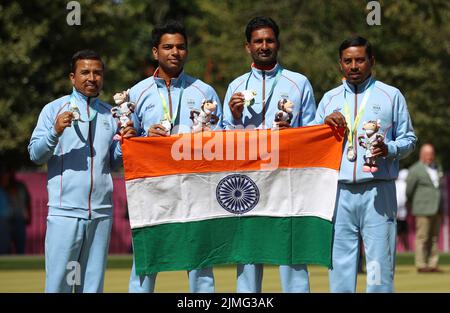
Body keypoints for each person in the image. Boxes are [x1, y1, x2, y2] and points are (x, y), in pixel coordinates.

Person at [314, 36, 417, 292]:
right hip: (338, 192)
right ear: (340, 64)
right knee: (340, 265)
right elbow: (313, 143)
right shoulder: (329, 99)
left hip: (378, 190)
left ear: (372, 61)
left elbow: (410, 139)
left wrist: (390, 148)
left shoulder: (391, 95)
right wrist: (324, 126)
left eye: (360, 59)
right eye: (348, 61)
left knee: (379, 267)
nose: (354, 66)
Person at [127, 20, 222, 293]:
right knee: (146, 261)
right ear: (155, 52)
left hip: (196, 186)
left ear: (187, 52)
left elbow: (223, 139)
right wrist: (146, 139)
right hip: (153, 187)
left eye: (181, 47)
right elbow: (122, 146)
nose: (175, 52)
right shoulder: (136, 93)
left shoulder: (205, 91)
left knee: (201, 262)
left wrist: (209, 138)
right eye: (168, 47)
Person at [222, 16, 317, 293]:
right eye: (258, 41)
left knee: (291, 257)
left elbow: (313, 134)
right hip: (249, 183)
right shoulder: (235, 86)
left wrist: (294, 132)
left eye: (269, 40)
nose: (264, 46)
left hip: (288, 181)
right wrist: (236, 117)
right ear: (247, 47)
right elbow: (224, 137)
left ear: (278, 43)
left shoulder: (299, 83)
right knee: (249, 259)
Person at [28, 50, 135, 292]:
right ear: (72, 77)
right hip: (64, 212)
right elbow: (35, 155)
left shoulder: (112, 114)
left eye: (97, 72)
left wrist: (124, 146)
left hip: (101, 213)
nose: (92, 77)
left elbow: (113, 163)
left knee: (92, 287)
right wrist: (54, 131)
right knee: (59, 286)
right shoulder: (53, 110)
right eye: (85, 72)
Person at [406, 144, 443, 273]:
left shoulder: (437, 167)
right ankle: (421, 265)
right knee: (422, 237)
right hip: (422, 208)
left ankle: (432, 264)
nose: (430, 157)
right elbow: (409, 191)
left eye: (432, 154)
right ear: (421, 154)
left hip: (437, 208)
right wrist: (416, 203)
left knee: (434, 238)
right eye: (427, 154)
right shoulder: (415, 170)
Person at [2, 169, 32, 254]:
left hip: (19, 218)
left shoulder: (21, 186)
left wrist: (29, 216)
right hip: (5, 219)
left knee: (20, 245)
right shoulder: (3, 186)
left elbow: (27, 201)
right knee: (5, 245)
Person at [396, 168, 410, 251]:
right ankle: (405, 249)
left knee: (401, 232)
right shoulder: (404, 185)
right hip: (401, 213)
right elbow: (402, 200)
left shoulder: (396, 184)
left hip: (398, 212)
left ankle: (405, 250)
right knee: (401, 233)